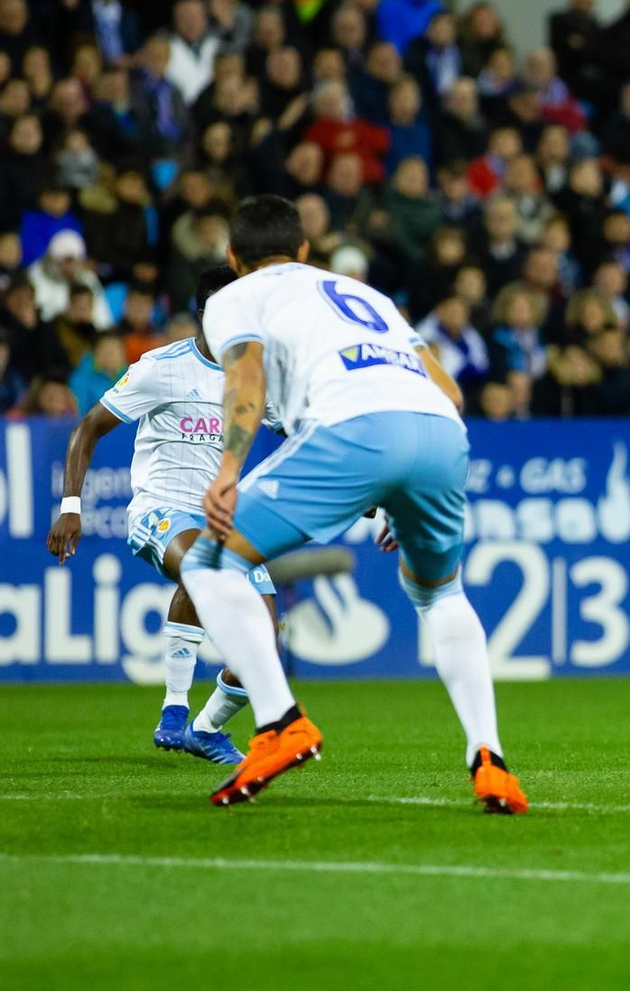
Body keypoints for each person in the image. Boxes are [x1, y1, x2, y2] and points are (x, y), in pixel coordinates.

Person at [178, 195, 526, 813]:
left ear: (233, 258)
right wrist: (398, 490)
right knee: (440, 591)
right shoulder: (364, 295)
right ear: (306, 250)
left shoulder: (235, 295)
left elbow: (246, 377)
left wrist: (228, 469)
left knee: (208, 562)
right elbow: (447, 389)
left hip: (354, 429)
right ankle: (491, 761)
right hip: (441, 435)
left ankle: (279, 722)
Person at [45, 267, 275, 765]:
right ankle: (174, 708)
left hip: (221, 520)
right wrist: (70, 507)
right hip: (161, 509)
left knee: (267, 640)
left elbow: (300, 431)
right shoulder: (162, 366)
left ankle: (207, 729)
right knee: (203, 563)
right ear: (202, 314)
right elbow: (87, 429)